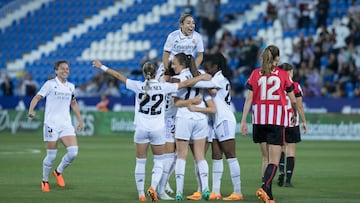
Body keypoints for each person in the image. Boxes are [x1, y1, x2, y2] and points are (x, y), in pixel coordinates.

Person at [92, 59, 211, 202]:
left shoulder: (138, 85)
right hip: (157, 129)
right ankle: (153, 187)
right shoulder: (164, 86)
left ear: (144, 74)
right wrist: (202, 76)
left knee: (140, 162)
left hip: (141, 129)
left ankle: (141, 194)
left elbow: (117, 76)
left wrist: (102, 67)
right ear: (156, 73)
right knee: (159, 162)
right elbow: (185, 84)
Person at [156, 13, 205, 199]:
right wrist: (168, 72)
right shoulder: (173, 36)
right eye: (189, 23)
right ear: (181, 24)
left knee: (177, 145)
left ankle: (164, 181)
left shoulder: (197, 38)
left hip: (185, 72)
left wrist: (192, 69)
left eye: (193, 22)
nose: (192, 25)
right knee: (170, 102)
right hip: (172, 71)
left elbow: (200, 56)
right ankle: (161, 182)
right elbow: (165, 56)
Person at [240, 45, 297, 203]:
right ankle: (265, 187)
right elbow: (293, 100)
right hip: (275, 120)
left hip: (258, 120)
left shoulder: (255, 73)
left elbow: (249, 99)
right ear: (277, 58)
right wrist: (293, 114)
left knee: (265, 158)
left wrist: (244, 121)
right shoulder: (283, 74)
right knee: (274, 160)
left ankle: (269, 196)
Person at [28, 60, 83, 192]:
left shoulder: (71, 86)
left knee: (73, 152)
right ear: (56, 71)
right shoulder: (50, 84)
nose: (65, 70)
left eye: (67, 68)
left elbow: (73, 103)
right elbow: (37, 97)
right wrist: (31, 110)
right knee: (51, 155)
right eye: (62, 68)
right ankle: (44, 180)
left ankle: (58, 172)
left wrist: (80, 120)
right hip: (51, 124)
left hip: (66, 124)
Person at [170, 53, 215, 201]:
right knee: (200, 156)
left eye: (174, 63)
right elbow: (213, 89)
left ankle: (179, 192)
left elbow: (176, 103)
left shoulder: (179, 78)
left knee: (182, 155)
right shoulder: (200, 73)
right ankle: (206, 188)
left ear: (182, 64)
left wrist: (188, 103)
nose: (172, 66)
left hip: (184, 117)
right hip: (200, 119)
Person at [202, 53, 244, 201]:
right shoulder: (217, 78)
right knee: (216, 156)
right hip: (216, 121)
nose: (205, 68)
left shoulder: (219, 79)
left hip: (224, 119)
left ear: (215, 66)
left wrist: (196, 76)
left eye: (208, 65)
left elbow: (209, 88)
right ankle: (215, 191)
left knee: (230, 155)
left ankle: (237, 192)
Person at [277, 63, 307, 187]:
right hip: (292, 120)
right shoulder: (294, 86)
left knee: (281, 148)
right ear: (289, 72)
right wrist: (304, 121)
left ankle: (280, 173)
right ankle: (288, 180)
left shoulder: (277, 85)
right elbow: (298, 105)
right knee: (291, 150)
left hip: (279, 119)